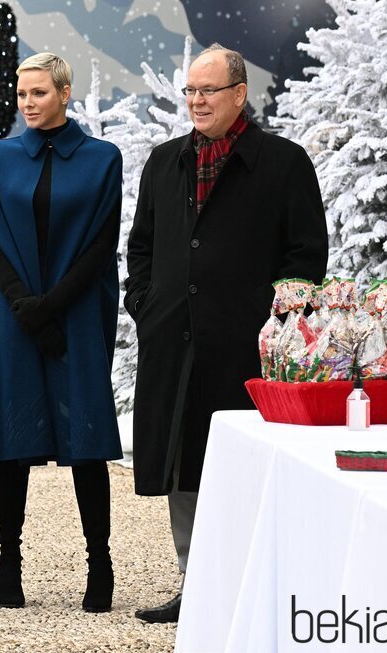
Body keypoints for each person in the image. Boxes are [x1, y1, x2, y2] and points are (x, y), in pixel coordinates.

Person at [125, 44, 329, 624]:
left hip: (248, 347)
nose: (196, 101)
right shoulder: (165, 162)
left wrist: (277, 325)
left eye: (207, 90)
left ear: (239, 94)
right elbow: (141, 248)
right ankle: (198, 583)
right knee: (181, 462)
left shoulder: (283, 163)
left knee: (245, 464)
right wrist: (146, 304)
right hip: (174, 341)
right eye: (190, 90)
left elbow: (306, 254)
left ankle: (258, 585)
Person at [0, 53, 123, 613]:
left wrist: (52, 307)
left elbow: (100, 244)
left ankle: (100, 564)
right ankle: (9, 562)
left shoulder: (103, 158)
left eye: (39, 93)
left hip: (73, 313)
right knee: (11, 440)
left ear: (65, 93)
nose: (28, 103)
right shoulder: (0, 158)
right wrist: (27, 307)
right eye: (22, 94)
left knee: (87, 443)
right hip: (14, 313)